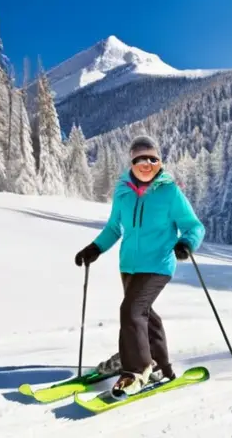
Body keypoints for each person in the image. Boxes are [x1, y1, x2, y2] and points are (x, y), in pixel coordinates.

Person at [74, 134, 205, 397]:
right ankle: (161, 366)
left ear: (160, 162)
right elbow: (114, 228)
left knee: (132, 310)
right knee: (144, 313)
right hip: (129, 266)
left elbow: (194, 226)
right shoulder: (123, 192)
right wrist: (95, 248)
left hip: (158, 264)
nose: (147, 164)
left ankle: (136, 369)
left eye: (153, 159)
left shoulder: (169, 192)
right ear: (131, 162)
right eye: (140, 159)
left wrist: (186, 243)